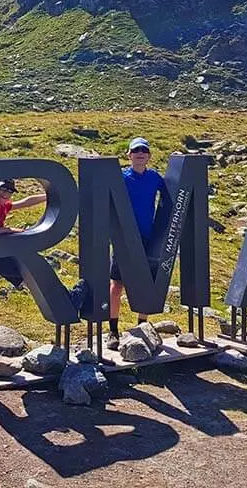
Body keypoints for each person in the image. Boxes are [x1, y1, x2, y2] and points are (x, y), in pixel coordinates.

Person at [0, 178, 88, 311]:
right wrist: (7, 230)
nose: (6, 194)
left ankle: (64, 304)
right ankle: (69, 300)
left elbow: (25, 202)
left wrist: (49, 196)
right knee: (37, 273)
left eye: (10, 191)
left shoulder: (1, 204)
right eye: (3, 189)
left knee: (35, 279)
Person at [108, 137, 171, 350]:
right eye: (136, 151)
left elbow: (171, 196)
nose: (140, 154)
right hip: (123, 237)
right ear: (129, 155)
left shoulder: (155, 178)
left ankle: (142, 326)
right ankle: (113, 330)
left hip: (147, 236)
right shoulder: (121, 177)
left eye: (144, 150)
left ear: (149, 156)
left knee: (146, 282)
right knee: (117, 284)